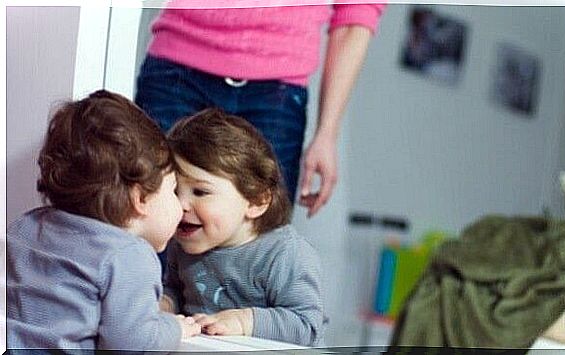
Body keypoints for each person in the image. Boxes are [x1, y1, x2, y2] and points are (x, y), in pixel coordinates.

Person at [135, 1, 386, 218]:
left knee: (260, 251)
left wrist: (327, 133)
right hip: (177, 68)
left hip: (276, 96)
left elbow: (357, 12)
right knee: (148, 216)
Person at [6, 90, 201, 351]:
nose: (182, 206)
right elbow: (132, 347)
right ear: (140, 198)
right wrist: (173, 327)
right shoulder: (129, 255)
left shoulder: (24, 227)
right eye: (173, 190)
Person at [161, 108, 325, 346]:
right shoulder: (185, 241)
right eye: (174, 191)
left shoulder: (284, 254)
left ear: (257, 201)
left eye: (200, 192)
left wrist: (243, 321)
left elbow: (305, 325)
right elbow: (177, 291)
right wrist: (164, 304)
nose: (181, 204)